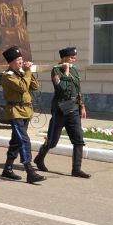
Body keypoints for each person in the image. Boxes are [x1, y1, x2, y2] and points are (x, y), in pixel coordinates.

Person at [34, 46, 91, 178]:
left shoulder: (75, 70)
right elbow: (62, 89)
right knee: (52, 141)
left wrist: (82, 106)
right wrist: (65, 72)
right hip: (60, 110)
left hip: (74, 109)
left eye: (74, 57)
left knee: (79, 140)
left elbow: (78, 89)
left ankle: (76, 169)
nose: (74, 59)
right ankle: (39, 158)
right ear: (64, 58)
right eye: (72, 57)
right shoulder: (56, 70)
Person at [0, 46, 44, 184]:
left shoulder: (21, 73)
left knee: (15, 142)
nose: (21, 62)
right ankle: (30, 171)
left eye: (21, 59)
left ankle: (7, 169)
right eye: (18, 60)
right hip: (15, 112)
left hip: (26, 111)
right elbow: (23, 87)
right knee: (24, 140)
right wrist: (27, 72)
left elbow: (35, 87)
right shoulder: (7, 76)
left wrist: (27, 72)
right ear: (11, 62)